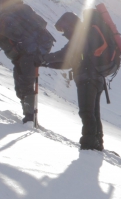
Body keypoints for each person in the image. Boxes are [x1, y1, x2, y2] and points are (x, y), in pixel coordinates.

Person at [40, 11, 106, 151]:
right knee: (94, 112)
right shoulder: (86, 36)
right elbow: (68, 62)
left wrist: (44, 59)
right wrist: (45, 63)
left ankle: (88, 144)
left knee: (86, 112)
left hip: (87, 78)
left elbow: (64, 55)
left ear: (69, 26)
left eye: (64, 29)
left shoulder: (79, 37)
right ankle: (97, 142)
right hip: (97, 78)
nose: (64, 33)